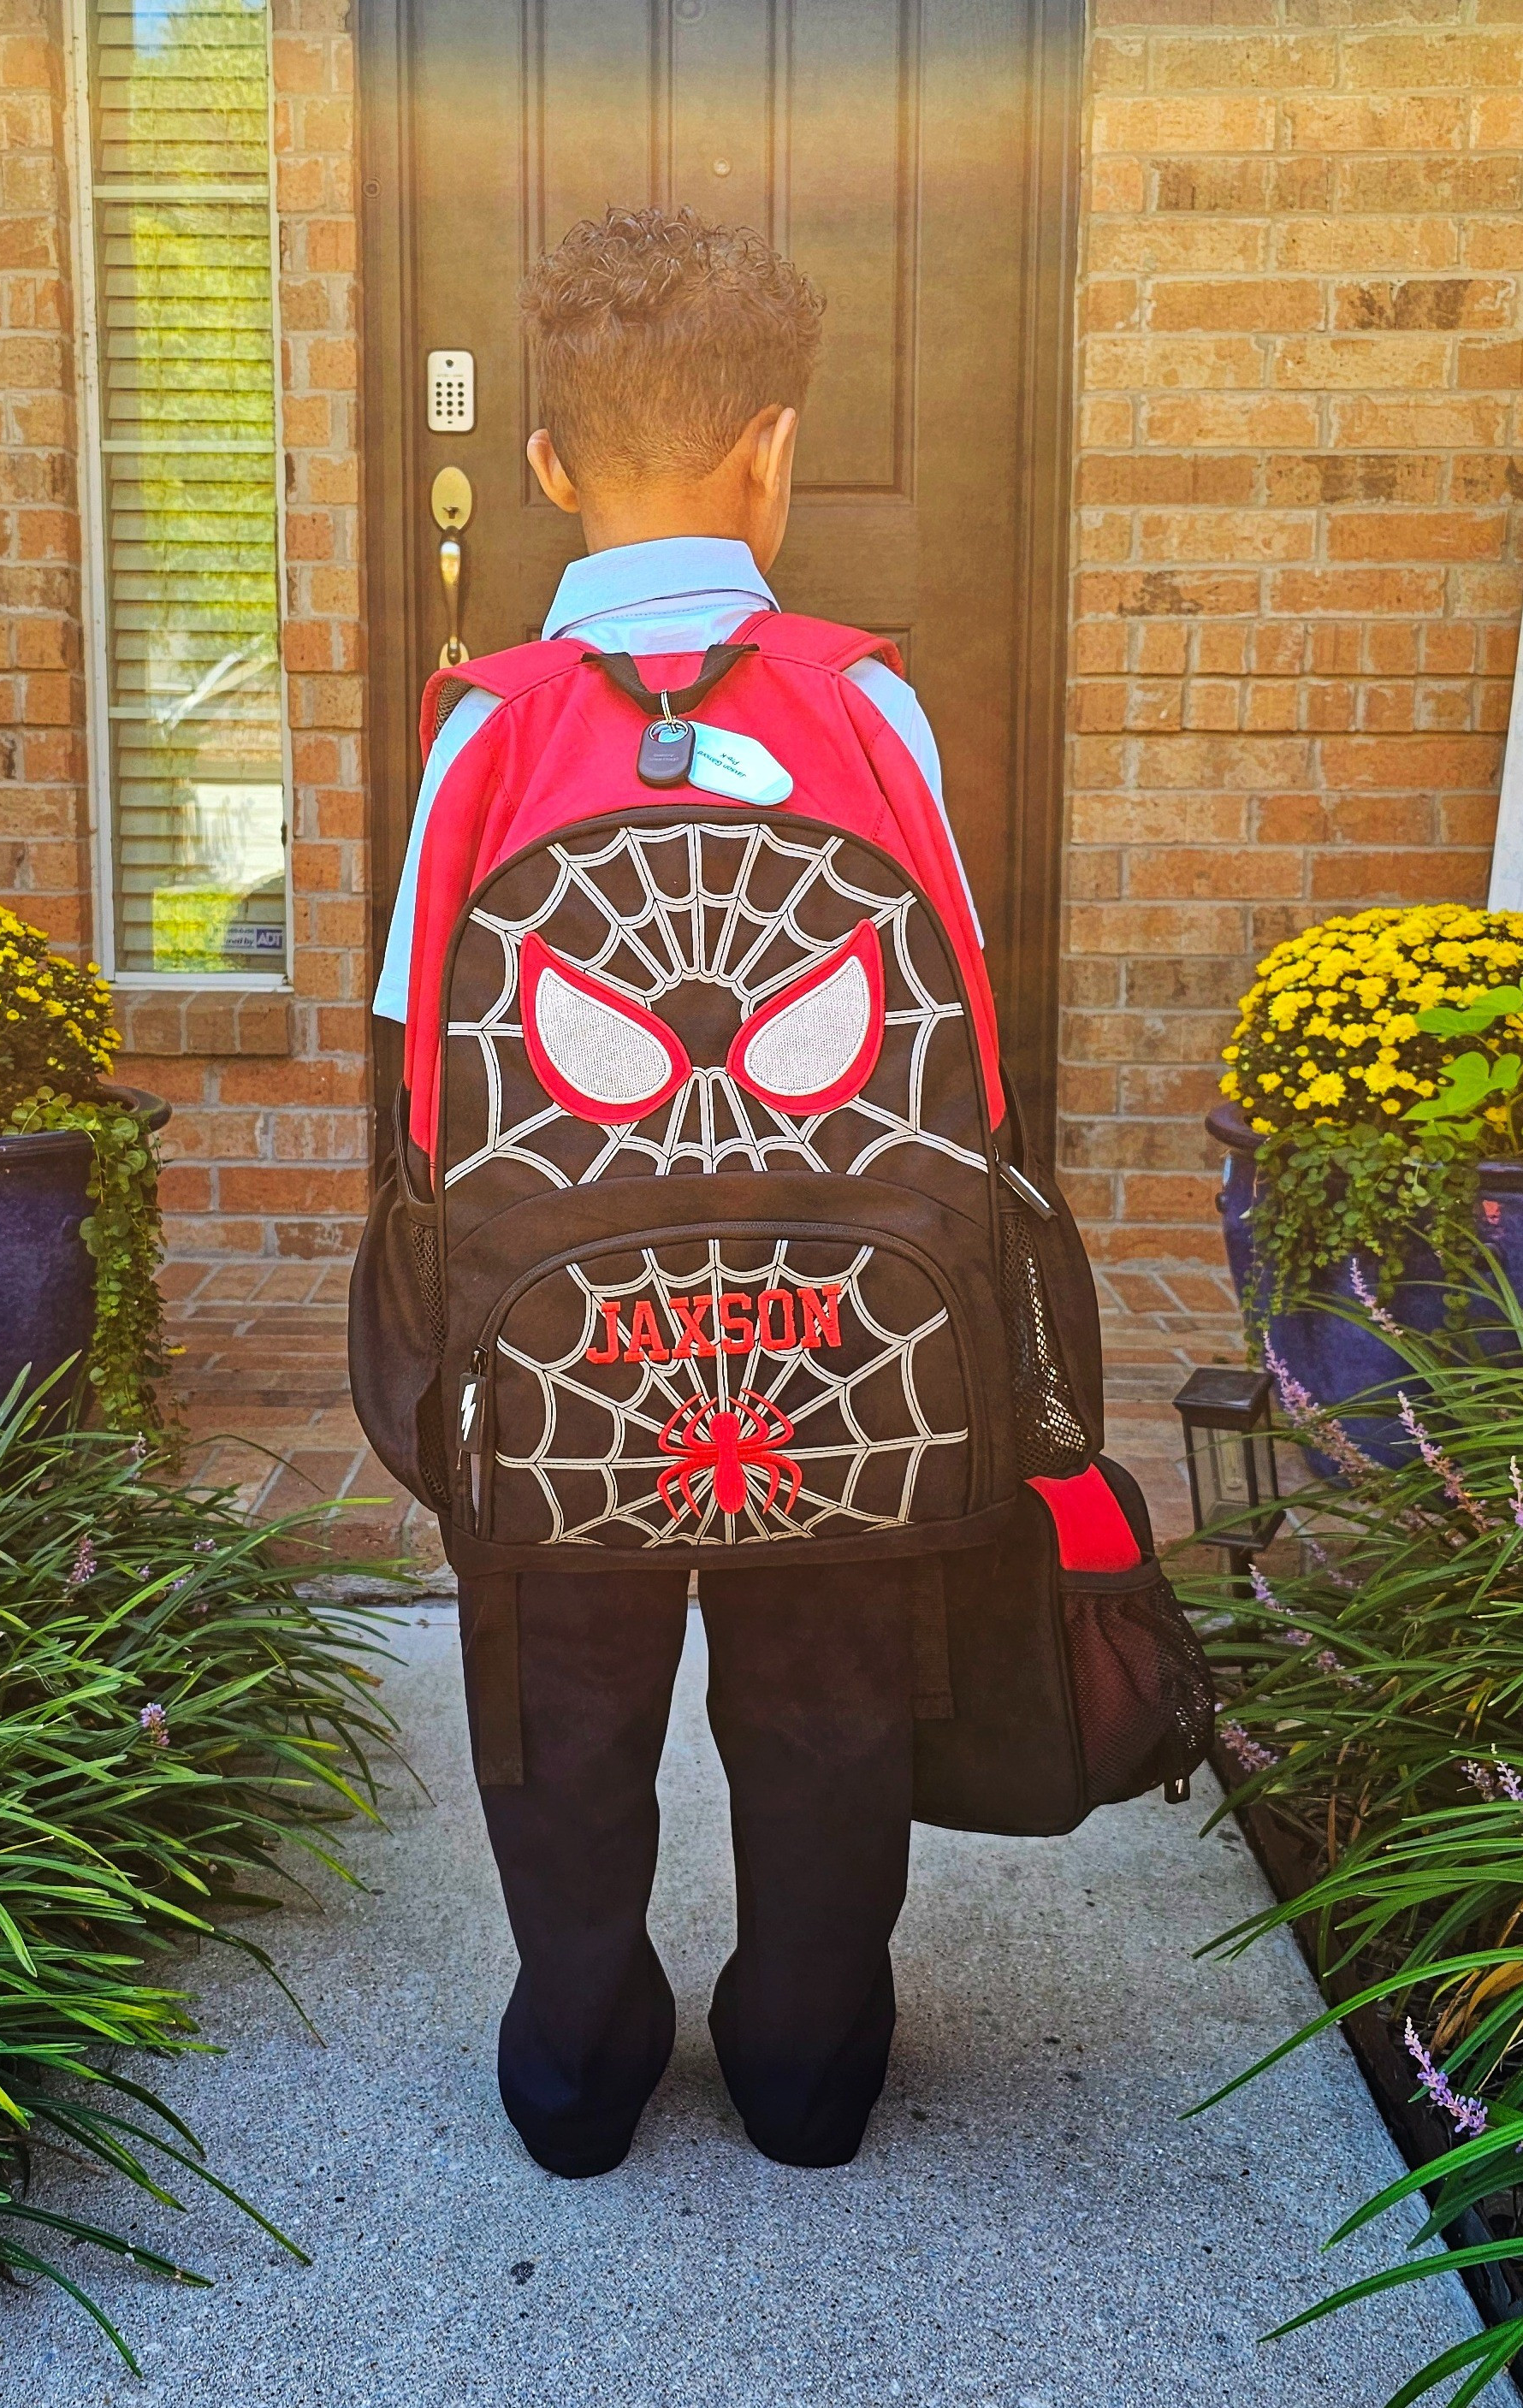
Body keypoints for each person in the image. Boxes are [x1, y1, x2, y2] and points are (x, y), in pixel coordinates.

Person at [370, 207, 979, 2180]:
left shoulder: (481, 730)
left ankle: (578, 2062)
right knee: (824, 1699)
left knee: (560, 1708)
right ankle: (809, 2065)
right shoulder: (867, 703)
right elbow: (954, 1037)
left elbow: (420, 1081)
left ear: (544, 465)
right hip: (831, 1346)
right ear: (772, 449)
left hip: (559, 1356)